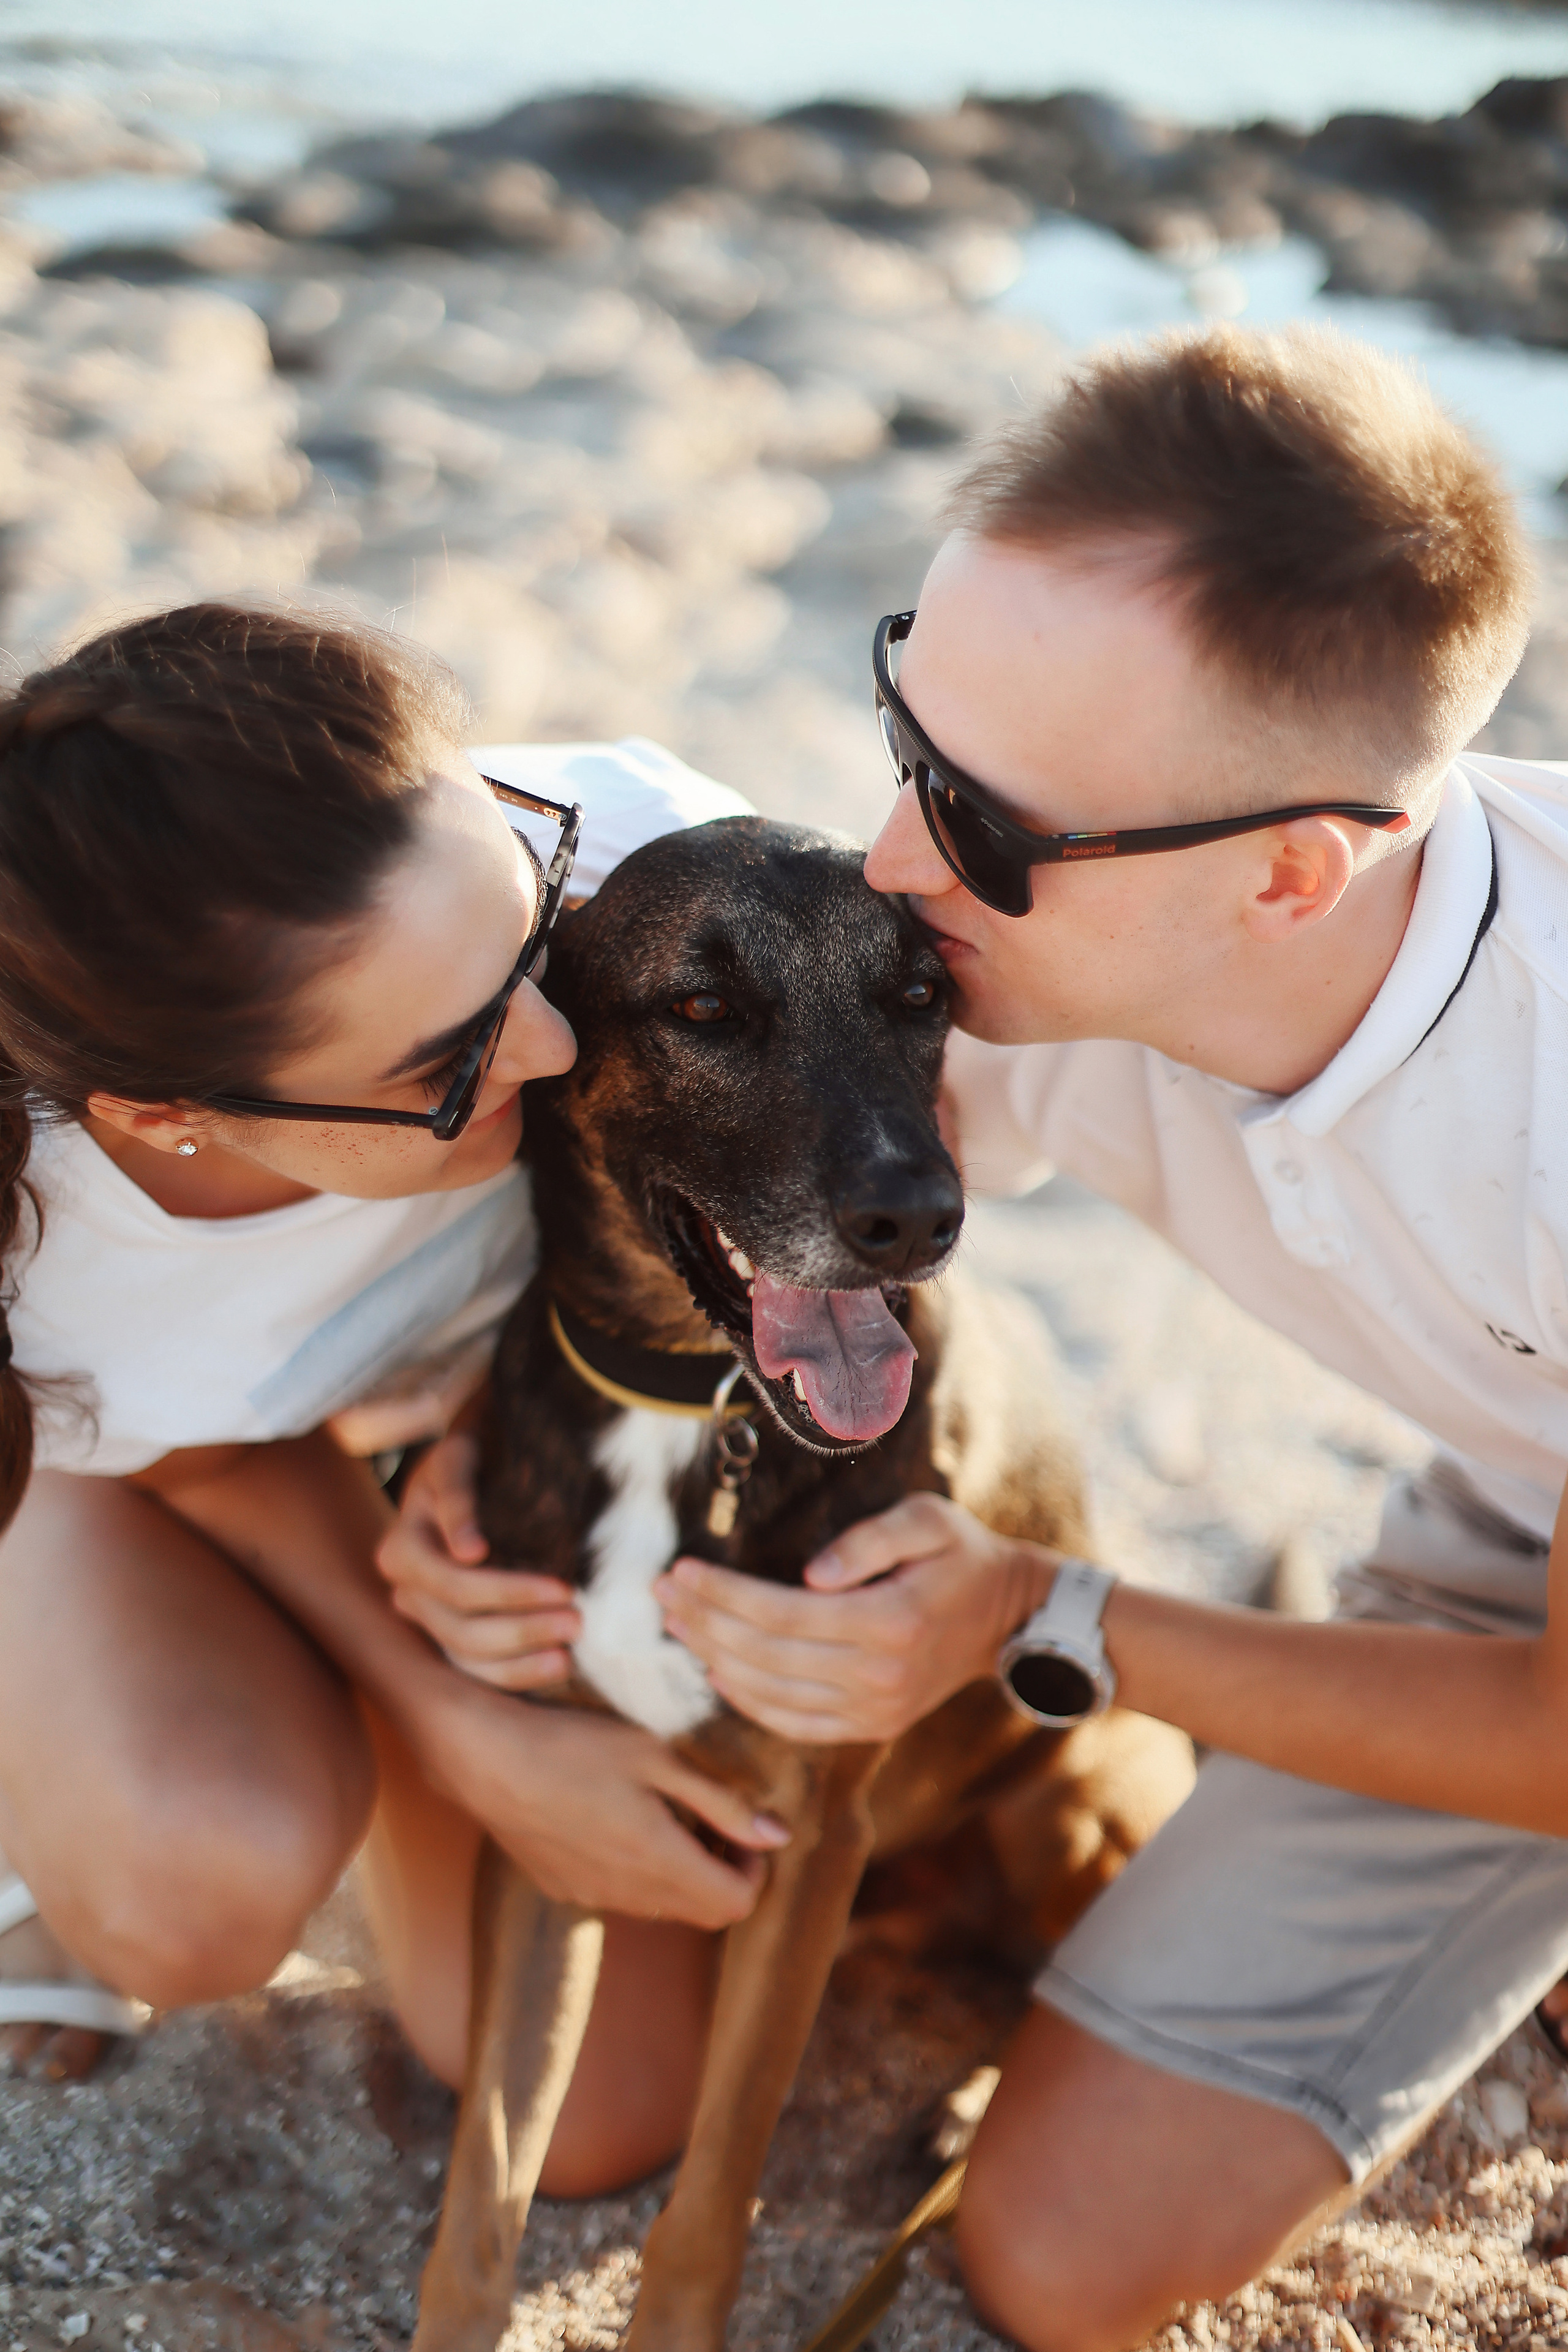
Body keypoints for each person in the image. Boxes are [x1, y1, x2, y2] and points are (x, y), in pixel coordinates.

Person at [384, 325, 1568, 2351]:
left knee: (1075, 2267)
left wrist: (1047, 1615)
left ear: (1290, 870)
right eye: (901, 726)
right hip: (1506, 1506)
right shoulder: (979, 967)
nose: (901, 864)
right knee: (795, 2166)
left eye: (986, 818)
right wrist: (407, 1470)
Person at [0, 600, 794, 2201]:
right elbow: (195, 1453)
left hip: (506, 1434)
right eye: (454, 1061)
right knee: (196, 1888)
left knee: (600, 2123)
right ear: (167, 1117)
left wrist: (500, 1425)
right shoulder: (57, 1258)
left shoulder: (656, 869)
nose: (561, 1038)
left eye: (530, 919)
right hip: (127, 1469)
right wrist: (469, 1723)